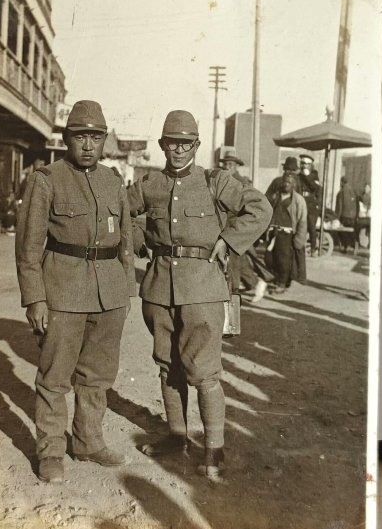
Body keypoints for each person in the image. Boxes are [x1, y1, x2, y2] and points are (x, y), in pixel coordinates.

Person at [128, 110, 271, 478]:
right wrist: (139, 238)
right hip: (159, 290)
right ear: (162, 145)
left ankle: (214, 448)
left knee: (204, 373)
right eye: (172, 143)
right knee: (167, 367)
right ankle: (177, 437)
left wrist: (228, 241)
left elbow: (260, 208)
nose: (178, 150)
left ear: (196, 145)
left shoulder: (215, 181)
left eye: (186, 144)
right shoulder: (150, 184)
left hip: (203, 291)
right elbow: (118, 211)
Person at [15, 100, 136, 484]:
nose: (87, 145)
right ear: (67, 139)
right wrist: (35, 298)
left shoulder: (113, 180)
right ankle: (51, 451)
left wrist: (126, 290)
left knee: (98, 375)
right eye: (80, 137)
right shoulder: (47, 179)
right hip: (63, 291)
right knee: (55, 377)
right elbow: (29, 246)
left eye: (95, 138)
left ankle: (88, 441)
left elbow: (127, 240)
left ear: (104, 140)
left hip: (108, 293)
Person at [220, 153, 269, 302]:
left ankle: (233, 292)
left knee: (233, 261)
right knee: (239, 260)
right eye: (225, 164)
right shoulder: (221, 180)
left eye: (230, 164)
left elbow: (250, 205)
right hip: (224, 225)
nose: (226, 167)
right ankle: (254, 283)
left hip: (236, 227)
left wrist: (242, 226)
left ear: (236, 166)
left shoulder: (241, 182)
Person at [265, 173, 307, 293]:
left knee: (284, 260)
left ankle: (282, 284)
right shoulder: (275, 196)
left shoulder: (298, 200)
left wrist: (299, 239)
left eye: (289, 182)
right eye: (285, 181)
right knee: (269, 258)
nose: (286, 184)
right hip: (273, 232)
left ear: (294, 185)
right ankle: (277, 279)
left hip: (287, 234)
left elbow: (302, 220)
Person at [297, 154, 323, 256]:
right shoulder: (299, 176)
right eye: (302, 163)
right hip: (300, 201)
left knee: (312, 226)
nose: (304, 166)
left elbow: (316, 188)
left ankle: (313, 249)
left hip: (311, 204)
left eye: (306, 164)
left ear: (310, 165)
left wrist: (307, 176)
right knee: (299, 224)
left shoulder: (314, 175)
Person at [335, 176, 358, 253]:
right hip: (353, 216)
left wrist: (337, 217)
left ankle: (345, 247)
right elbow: (357, 204)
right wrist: (356, 215)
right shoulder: (353, 191)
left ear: (341, 182)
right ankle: (354, 245)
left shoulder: (341, 193)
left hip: (344, 216)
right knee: (351, 231)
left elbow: (339, 206)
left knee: (342, 231)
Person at [354, 183, 371, 251]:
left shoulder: (371, 197)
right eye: (365, 187)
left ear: (370, 189)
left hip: (368, 218)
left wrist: (367, 208)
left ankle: (369, 245)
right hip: (363, 217)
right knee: (356, 229)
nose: (366, 189)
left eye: (367, 188)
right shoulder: (362, 196)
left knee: (370, 231)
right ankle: (357, 244)